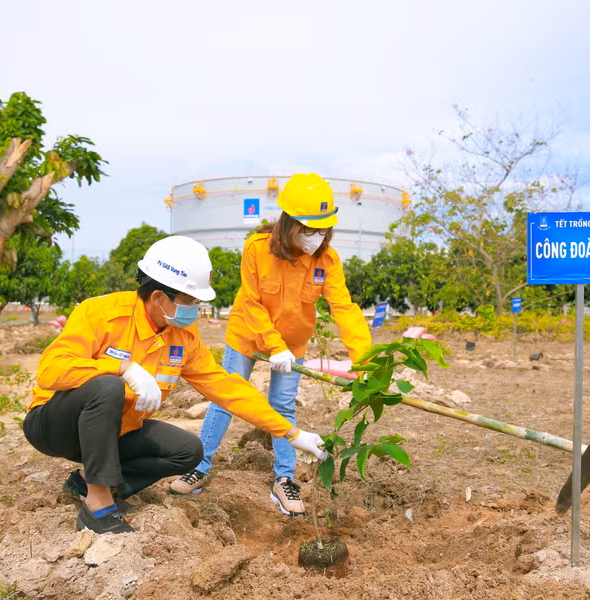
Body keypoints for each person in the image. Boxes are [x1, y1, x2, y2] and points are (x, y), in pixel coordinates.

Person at [23, 236, 328, 534]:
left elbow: (227, 388)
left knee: (188, 451)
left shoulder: (182, 338)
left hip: (113, 434)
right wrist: (121, 368)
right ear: (158, 297)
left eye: (197, 301)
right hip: (55, 426)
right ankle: (97, 505)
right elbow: (50, 371)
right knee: (108, 386)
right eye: (189, 300)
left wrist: (290, 432)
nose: (195, 308)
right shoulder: (102, 314)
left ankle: (92, 484)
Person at [170, 173, 371, 516]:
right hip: (248, 335)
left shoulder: (327, 261)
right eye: (309, 229)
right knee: (226, 399)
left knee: (283, 407)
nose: (316, 237)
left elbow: (345, 309)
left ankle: (284, 480)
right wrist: (272, 344)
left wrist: (365, 361)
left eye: (323, 229)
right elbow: (250, 303)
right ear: (289, 223)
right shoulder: (257, 249)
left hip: (293, 345)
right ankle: (199, 467)